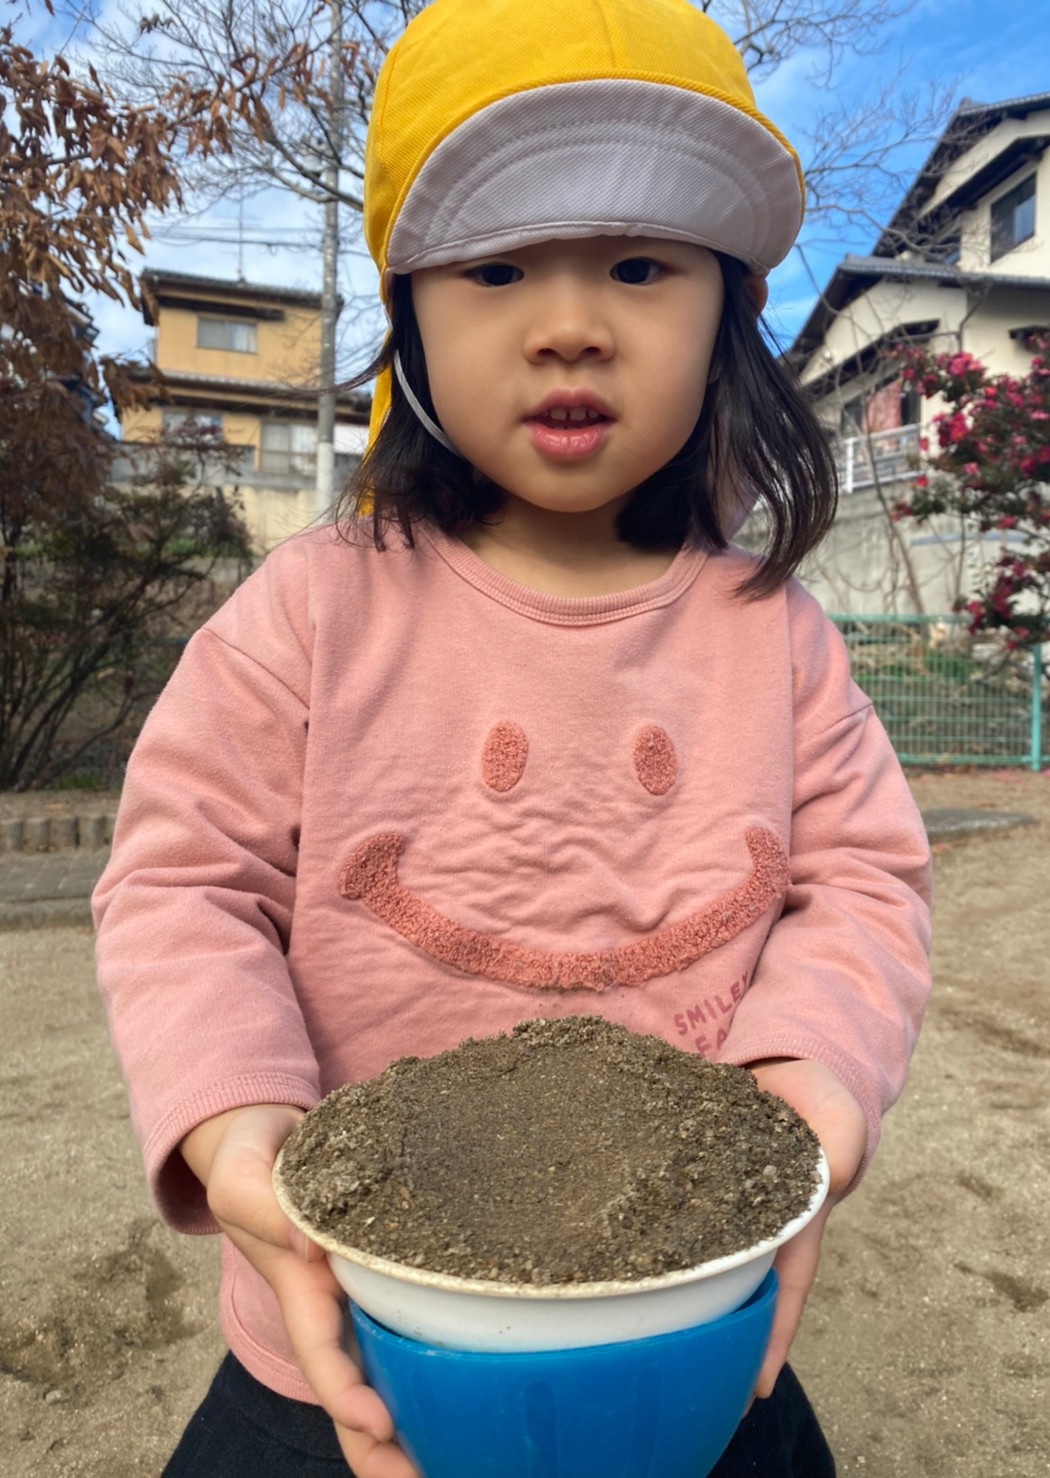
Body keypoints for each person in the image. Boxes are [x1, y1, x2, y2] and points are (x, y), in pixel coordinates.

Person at [92, 0, 932, 1474]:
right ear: (410, 311)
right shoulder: (313, 610)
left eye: (640, 264)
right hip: (338, 1331)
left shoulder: (776, 635)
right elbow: (182, 880)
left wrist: (814, 1073)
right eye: (495, 266)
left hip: (692, 1320)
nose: (569, 323)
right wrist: (236, 1123)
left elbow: (864, 878)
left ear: (729, 315)